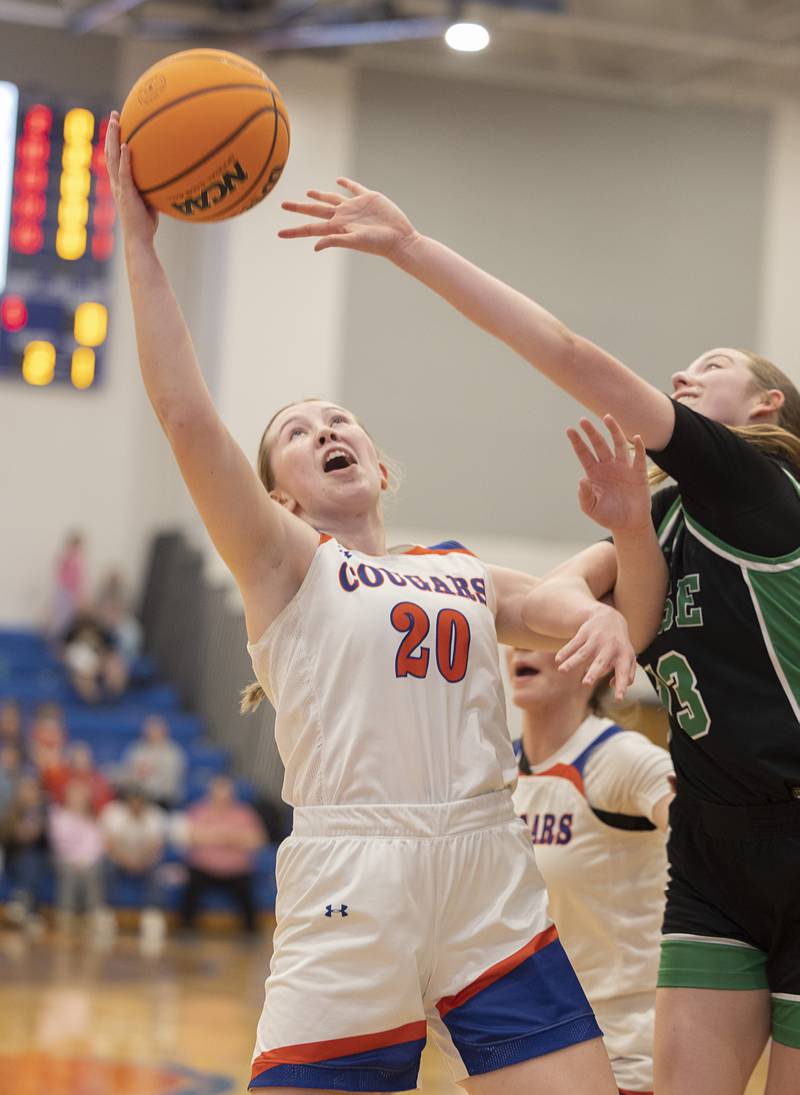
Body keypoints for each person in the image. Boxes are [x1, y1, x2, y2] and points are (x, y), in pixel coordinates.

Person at [106, 113, 661, 1095]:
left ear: (375, 462)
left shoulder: (455, 570)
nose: (326, 429)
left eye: (340, 420)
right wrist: (139, 238)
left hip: (484, 865)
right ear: (279, 492)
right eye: (299, 432)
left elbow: (572, 600)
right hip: (354, 876)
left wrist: (618, 569)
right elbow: (186, 416)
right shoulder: (283, 562)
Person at [279, 179, 800, 1094]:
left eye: (713, 364)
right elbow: (586, 616)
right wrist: (626, 534)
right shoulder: (666, 516)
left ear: (765, 409)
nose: (684, 374)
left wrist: (411, 249)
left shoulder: (756, 490)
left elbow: (567, 354)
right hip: (717, 850)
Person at [508, 647, 673, 1095]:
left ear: (593, 663)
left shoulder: (621, 759)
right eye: (519, 634)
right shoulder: (496, 772)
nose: (524, 645)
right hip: (536, 1045)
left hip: (627, 1051)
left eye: (544, 634)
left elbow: (711, 841)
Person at [179, 775, 265, 936]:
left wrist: (214, 836)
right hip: (203, 868)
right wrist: (231, 837)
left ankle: (251, 931)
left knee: (247, 892)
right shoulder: (198, 811)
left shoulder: (245, 814)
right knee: (191, 885)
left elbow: (256, 841)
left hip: (236, 871)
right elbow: (192, 837)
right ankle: (186, 927)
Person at [100, 784, 168, 951]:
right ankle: (105, 913)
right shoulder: (113, 813)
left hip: (145, 860)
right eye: (133, 801)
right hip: (120, 858)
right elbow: (110, 844)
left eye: (140, 802)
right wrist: (126, 860)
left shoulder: (155, 815)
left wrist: (140, 860)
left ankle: (152, 916)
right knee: (106, 866)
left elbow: (155, 845)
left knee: (156, 869)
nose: (136, 805)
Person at [48, 779, 106, 931]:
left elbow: (97, 845)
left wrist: (87, 860)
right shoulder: (58, 816)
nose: (78, 798)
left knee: (93, 870)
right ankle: (65, 913)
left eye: (81, 795)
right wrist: (76, 860)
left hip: (88, 861)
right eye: (74, 795)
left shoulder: (93, 818)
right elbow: (60, 843)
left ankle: (93, 913)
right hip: (64, 859)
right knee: (69, 871)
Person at [2, 773, 48, 932]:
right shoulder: (11, 811)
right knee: (28, 862)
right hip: (13, 859)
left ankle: (21, 901)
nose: (28, 793)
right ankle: (32, 914)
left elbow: (47, 842)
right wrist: (18, 834)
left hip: (38, 859)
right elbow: (5, 839)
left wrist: (38, 829)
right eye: (25, 789)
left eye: (32, 789)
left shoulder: (44, 811)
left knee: (33, 861)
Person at [120, 715, 186, 810]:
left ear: (165, 731)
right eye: (150, 730)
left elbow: (170, 786)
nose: (153, 733)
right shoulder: (137, 749)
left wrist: (147, 787)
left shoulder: (174, 753)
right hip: (136, 797)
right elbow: (127, 773)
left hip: (162, 801)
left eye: (156, 730)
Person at [42, 742, 115, 815]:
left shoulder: (97, 779)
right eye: (77, 758)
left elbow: (104, 802)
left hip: (91, 816)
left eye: (85, 757)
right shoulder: (61, 776)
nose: (81, 761)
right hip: (65, 814)